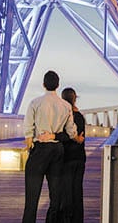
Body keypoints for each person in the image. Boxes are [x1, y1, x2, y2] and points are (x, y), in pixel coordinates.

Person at [22, 71, 77, 223]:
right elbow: (71, 133)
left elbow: (27, 130)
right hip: (57, 151)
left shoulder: (35, 103)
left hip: (39, 150)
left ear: (44, 85)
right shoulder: (66, 106)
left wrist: (30, 144)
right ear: (58, 85)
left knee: (32, 198)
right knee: (55, 196)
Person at [60, 88, 86, 223]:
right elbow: (80, 137)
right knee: (77, 191)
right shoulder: (80, 117)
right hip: (79, 158)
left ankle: (66, 219)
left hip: (66, 158)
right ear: (75, 99)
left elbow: (64, 136)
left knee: (66, 192)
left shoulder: (63, 116)